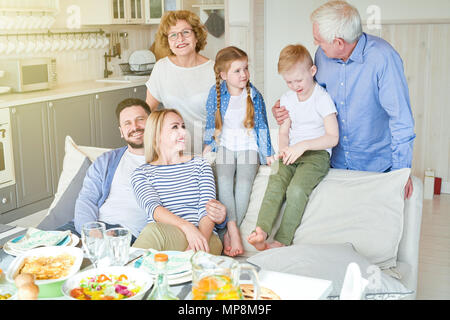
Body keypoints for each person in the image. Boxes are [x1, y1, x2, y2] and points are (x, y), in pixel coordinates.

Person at [272, 1, 415, 199]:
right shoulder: (322, 56)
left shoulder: (384, 59)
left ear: (338, 43)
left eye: (319, 40)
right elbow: (312, 98)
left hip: (375, 166)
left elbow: (401, 120)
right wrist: (284, 109)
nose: (316, 44)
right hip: (334, 164)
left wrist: (401, 172)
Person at [58, 98, 226, 244]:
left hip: (127, 235)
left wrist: (219, 220)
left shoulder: (174, 162)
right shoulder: (106, 161)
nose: (135, 127)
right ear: (121, 132)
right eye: (127, 123)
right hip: (88, 228)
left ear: (153, 123)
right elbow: (86, 200)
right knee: (38, 251)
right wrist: (92, 233)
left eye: (140, 120)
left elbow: (192, 204)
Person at [248, 44, 338, 251]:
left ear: (312, 71)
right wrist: (283, 150)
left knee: (296, 190)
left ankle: (282, 240)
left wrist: (302, 146)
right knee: (275, 183)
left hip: (316, 155)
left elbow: (333, 137)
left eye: (299, 80)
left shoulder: (322, 98)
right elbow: (283, 131)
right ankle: (261, 231)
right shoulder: (287, 99)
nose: (295, 85)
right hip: (292, 153)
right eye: (289, 82)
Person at [203, 46, 274, 257]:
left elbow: (262, 126)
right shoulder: (215, 94)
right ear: (223, 75)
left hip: (249, 146)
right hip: (225, 145)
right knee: (224, 180)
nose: (243, 74)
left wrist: (267, 153)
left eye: (245, 68)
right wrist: (208, 144)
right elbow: (210, 121)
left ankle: (227, 232)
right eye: (237, 71)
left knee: (243, 183)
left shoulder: (254, 95)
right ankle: (233, 230)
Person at [131, 109, 224, 255]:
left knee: (154, 232)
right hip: (168, 238)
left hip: (206, 239)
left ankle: (124, 273)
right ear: (157, 135)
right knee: (154, 232)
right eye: (175, 127)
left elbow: (207, 209)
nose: (183, 132)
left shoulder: (200, 164)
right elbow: (154, 209)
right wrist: (187, 228)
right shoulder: (142, 174)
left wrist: (198, 245)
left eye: (183, 127)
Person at [145, 10, 215, 154]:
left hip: (208, 151)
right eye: (173, 35)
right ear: (168, 42)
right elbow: (148, 111)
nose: (180, 39)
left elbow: (226, 117)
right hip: (173, 152)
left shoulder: (214, 70)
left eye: (186, 32)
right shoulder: (161, 68)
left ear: (196, 36)